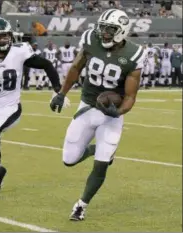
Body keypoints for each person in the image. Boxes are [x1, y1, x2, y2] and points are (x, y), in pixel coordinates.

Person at [50, 9, 145, 221]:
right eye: (103, 28)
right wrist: (61, 94)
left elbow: (130, 96)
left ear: (121, 31)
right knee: (69, 159)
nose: (104, 33)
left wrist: (118, 111)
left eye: (110, 29)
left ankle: (81, 205)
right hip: (87, 105)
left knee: (102, 162)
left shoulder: (134, 54)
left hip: (111, 114)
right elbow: (75, 68)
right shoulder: (90, 39)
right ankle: (94, 149)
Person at [0, 17, 69, 194]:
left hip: (10, 106)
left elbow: (46, 64)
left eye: (5, 36)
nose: (3, 40)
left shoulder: (19, 52)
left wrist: (58, 90)